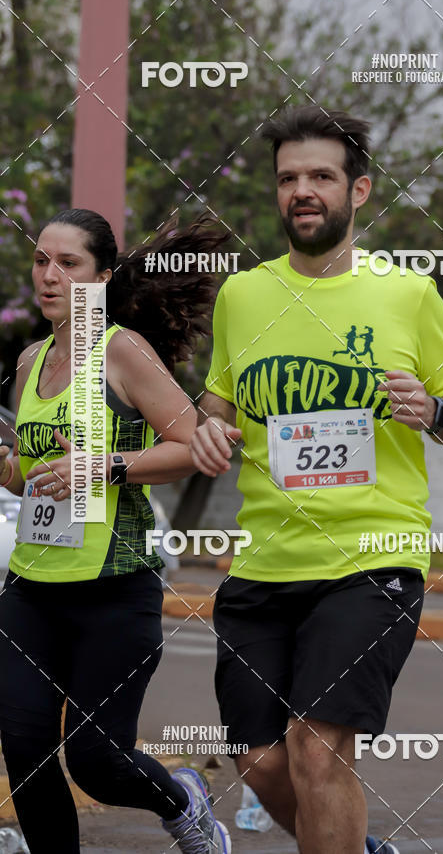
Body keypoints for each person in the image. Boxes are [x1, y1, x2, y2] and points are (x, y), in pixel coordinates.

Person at [190, 105, 443, 854]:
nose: (303, 190)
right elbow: (218, 402)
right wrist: (209, 428)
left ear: (359, 191)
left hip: (371, 556)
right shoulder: (243, 296)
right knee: (260, 760)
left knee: (319, 749)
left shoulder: (406, 294)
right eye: (289, 177)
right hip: (264, 561)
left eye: (321, 175)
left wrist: (435, 408)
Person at [0, 208, 232, 854]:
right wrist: (7, 464)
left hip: (114, 588)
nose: (49, 276)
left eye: (67, 263)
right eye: (42, 261)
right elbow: (27, 475)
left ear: (101, 277)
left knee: (96, 760)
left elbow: (192, 446)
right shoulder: (28, 363)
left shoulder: (122, 351)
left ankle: (183, 800)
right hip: (32, 588)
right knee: (25, 749)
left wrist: (102, 465)